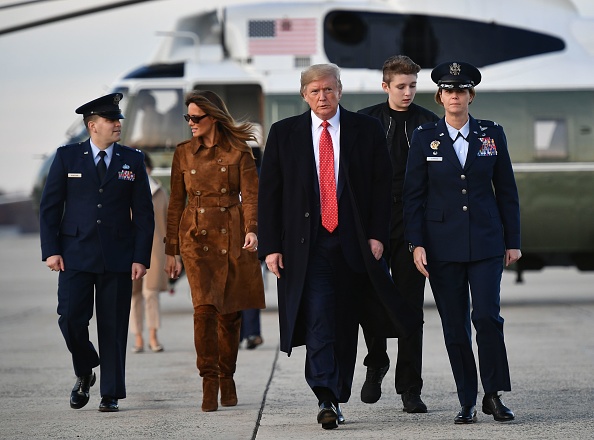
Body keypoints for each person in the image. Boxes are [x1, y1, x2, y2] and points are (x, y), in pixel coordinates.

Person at [258, 63, 422, 430]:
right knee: (318, 319)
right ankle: (324, 395)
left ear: (340, 90)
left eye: (329, 90)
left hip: (354, 244)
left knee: (346, 323)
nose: (323, 97)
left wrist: (379, 235)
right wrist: (270, 246)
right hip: (307, 246)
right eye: (315, 91)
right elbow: (269, 194)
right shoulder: (285, 134)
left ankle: (339, 389)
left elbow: (383, 187)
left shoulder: (366, 130)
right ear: (304, 95)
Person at [403, 61, 521, 424]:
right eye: (449, 90)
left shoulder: (491, 134)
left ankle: (494, 394)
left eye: (462, 90)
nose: (455, 96)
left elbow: (507, 191)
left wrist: (512, 240)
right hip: (441, 246)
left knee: (487, 317)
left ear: (471, 95)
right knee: (454, 326)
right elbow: (413, 196)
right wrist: (416, 243)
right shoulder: (424, 137)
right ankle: (467, 399)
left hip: (486, 241)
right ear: (440, 97)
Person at [39, 93, 155, 413]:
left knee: (114, 327)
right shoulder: (66, 158)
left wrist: (140, 257)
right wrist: (51, 250)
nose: (117, 124)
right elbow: (49, 209)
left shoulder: (132, 159)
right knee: (71, 319)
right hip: (75, 254)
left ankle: (111, 393)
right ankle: (86, 369)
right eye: (110, 120)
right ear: (92, 126)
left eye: (118, 119)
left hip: (118, 257)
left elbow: (144, 215)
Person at [164, 90, 266, 412]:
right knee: (204, 310)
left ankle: (227, 376)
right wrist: (171, 251)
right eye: (188, 118)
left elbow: (251, 196)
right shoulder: (183, 153)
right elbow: (175, 203)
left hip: (232, 232)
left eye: (196, 118)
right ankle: (208, 383)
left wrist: (252, 229)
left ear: (213, 118)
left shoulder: (239, 150)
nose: (191, 123)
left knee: (230, 314)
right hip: (194, 235)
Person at [357, 55, 439, 411]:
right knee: (371, 298)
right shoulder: (366, 121)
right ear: (385, 86)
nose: (408, 93)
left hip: (412, 221)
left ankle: (410, 387)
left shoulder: (428, 123)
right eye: (401, 86)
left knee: (410, 305)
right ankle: (376, 362)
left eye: (413, 86)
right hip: (374, 220)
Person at [130, 152, 169, 353]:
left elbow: (169, 224)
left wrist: (174, 255)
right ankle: (138, 338)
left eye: (145, 167)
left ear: (150, 169)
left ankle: (153, 336)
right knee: (134, 295)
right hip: (129, 249)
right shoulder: (124, 189)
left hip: (155, 249)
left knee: (151, 293)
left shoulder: (160, 192)